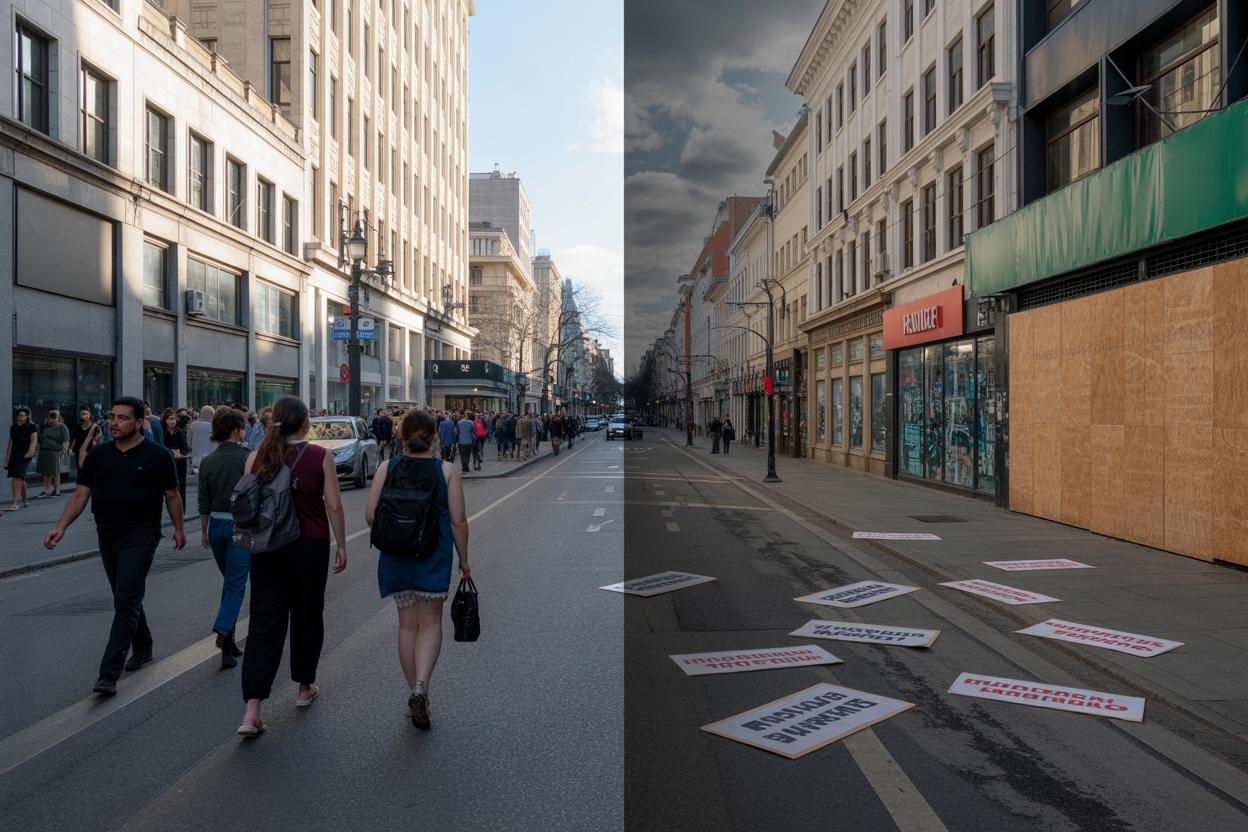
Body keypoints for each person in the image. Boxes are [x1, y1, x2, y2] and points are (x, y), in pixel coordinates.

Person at [44, 396, 186, 695]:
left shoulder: (157, 455)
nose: (114, 422)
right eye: (111, 417)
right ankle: (144, 645)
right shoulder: (98, 456)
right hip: (107, 535)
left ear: (139, 421)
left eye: (122, 418)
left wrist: (179, 529)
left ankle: (108, 673)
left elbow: (172, 496)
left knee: (124, 601)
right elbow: (81, 495)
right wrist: (60, 527)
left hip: (142, 535)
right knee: (127, 598)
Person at [238, 395, 347, 737]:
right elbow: (334, 504)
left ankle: (252, 710)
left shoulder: (256, 457)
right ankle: (304, 687)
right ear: (305, 424)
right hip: (309, 544)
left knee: (264, 622)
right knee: (307, 615)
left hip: (266, 547)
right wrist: (341, 545)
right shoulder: (319, 456)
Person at [366, 409, 470, 730]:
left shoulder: (387, 466)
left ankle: (415, 697)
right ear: (436, 436)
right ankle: (421, 688)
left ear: (400, 436)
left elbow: (371, 516)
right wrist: (464, 560)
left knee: (406, 627)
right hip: (432, 557)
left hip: (396, 558)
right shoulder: (447, 470)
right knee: (430, 624)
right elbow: (458, 522)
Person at [197, 408, 251, 669]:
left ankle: (228, 647)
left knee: (229, 583)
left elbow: (203, 500)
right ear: (235, 431)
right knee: (236, 585)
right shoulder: (248, 457)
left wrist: (204, 530)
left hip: (216, 527)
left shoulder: (208, 460)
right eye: (242, 428)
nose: (245, 432)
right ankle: (222, 630)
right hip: (240, 527)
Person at [5, 408, 38, 512]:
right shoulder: (13, 428)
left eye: (23, 415)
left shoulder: (32, 427)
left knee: (17, 477)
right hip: (15, 455)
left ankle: (14, 503)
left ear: (27, 416)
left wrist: (30, 453)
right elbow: (10, 443)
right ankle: (26, 501)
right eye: (19, 415)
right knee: (20, 478)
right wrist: (7, 459)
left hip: (25, 455)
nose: (21, 418)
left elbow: (34, 441)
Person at [158, 409, 190, 509]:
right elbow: (160, 446)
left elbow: (184, 448)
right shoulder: (162, 432)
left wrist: (180, 452)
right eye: (170, 419)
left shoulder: (179, 432)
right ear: (165, 420)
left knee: (181, 484)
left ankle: (181, 507)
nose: (172, 422)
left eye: (174, 419)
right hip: (167, 461)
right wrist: (171, 451)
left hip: (180, 461)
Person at [36, 410, 71, 497]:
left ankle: (55, 490)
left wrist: (64, 451)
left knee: (55, 472)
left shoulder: (61, 426)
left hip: (54, 450)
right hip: (45, 450)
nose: (51, 418)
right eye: (50, 416)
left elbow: (66, 439)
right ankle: (47, 489)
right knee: (46, 471)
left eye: (54, 416)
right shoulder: (45, 426)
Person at [70, 408, 98, 479]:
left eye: (86, 413)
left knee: (90, 469)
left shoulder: (94, 427)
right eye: (82, 413)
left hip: (90, 451)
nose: (84, 415)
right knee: (80, 469)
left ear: (90, 415)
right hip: (79, 452)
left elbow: (97, 439)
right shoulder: (78, 427)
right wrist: (71, 449)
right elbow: (75, 439)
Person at [188, 405, 216, 474]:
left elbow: (188, 442)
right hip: (212, 459)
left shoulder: (193, 426)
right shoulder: (216, 427)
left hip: (197, 458)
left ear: (200, 414)